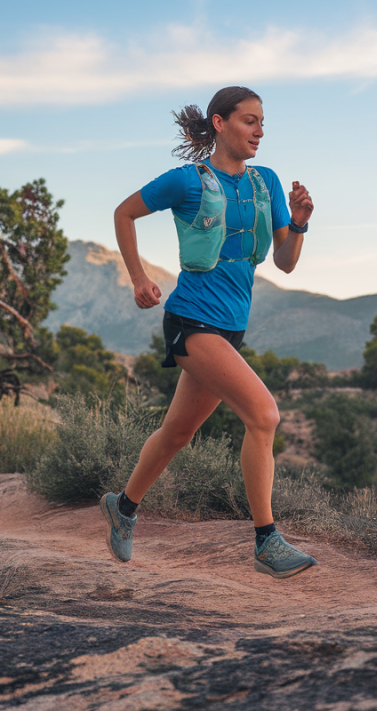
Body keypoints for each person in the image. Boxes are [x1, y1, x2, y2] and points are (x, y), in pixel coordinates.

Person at [103, 85, 317, 579]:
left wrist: (300, 225)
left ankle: (123, 507)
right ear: (220, 124)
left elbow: (284, 264)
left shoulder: (266, 183)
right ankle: (266, 541)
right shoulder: (187, 181)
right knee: (264, 415)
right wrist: (137, 277)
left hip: (230, 328)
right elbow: (124, 213)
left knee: (178, 433)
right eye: (249, 121)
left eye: (263, 123)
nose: (259, 131)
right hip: (193, 321)